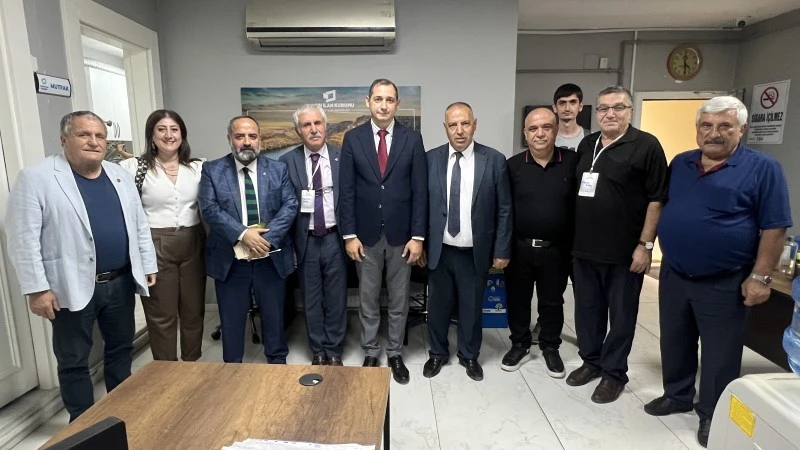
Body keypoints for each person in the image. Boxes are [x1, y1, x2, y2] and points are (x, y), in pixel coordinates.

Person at [644, 96, 791, 448]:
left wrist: (761, 277)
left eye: (725, 126)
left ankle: (713, 412)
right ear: (697, 128)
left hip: (725, 279)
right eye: (706, 125)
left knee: (720, 352)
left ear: (741, 129)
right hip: (675, 274)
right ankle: (677, 395)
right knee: (675, 340)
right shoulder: (681, 162)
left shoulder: (763, 168)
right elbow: (664, 205)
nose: (714, 133)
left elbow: (775, 227)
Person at [6, 111, 157, 421]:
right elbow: (22, 238)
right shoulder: (37, 177)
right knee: (74, 358)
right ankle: (82, 425)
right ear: (64, 139)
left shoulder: (119, 175)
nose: (93, 141)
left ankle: (120, 415)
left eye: (100, 136)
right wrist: (36, 289)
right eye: (84, 135)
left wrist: (147, 262)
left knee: (120, 350)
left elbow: (138, 224)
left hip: (120, 281)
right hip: (68, 285)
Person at [567, 86, 668, 403]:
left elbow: (656, 199)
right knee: (587, 313)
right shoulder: (588, 144)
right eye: (603, 108)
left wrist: (645, 245)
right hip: (584, 249)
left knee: (621, 318)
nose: (610, 114)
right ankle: (591, 362)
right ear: (595, 113)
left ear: (630, 111)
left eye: (618, 107)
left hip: (625, 253)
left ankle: (613, 374)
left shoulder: (647, 146)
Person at [339, 78, 427, 384]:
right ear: (368, 102)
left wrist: (418, 237)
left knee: (400, 299)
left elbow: (420, 192)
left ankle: (395, 353)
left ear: (397, 104)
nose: (384, 105)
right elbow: (346, 192)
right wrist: (349, 235)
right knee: (368, 298)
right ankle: (370, 351)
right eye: (378, 99)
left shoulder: (412, 140)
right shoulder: (353, 139)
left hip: (402, 237)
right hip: (365, 236)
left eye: (390, 100)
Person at [421, 102, 511, 381]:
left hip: (475, 252)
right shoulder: (430, 159)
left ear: (475, 124)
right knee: (437, 307)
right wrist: (420, 243)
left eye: (465, 123)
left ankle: (469, 355)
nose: (459, 130)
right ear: (445, 128)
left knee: (471, 309)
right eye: (453, 125)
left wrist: (501, 249)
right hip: (439, 250)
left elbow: (504, 209)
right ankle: (437, 354)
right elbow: (421, 205)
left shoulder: (494, 160)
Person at [198, 115, 298, 364]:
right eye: (240, 136)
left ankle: (277, 365)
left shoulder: (278, 169)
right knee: (232, 323)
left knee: (274, 320)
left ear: (259, 139)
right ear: (230, 139)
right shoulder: (212, 170)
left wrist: (265, 240)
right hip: (230, 260)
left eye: (252, 136)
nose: (246, 142)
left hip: (269, 258)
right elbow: (209, 209)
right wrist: (244, 235)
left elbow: (290, 205)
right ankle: (233, 371)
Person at [120, 110, 206, 362]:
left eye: (174, 129)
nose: (169, 135)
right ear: (152, 134)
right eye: (161, 129)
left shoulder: (197, 167)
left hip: (193, 242)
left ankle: (192, 365)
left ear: (182, 134)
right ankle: (165, 370)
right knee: (162, 314)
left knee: (193, 311)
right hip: (155, 245)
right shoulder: (133, 168)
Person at [502, 108, 577, 378]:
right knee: (518, 300)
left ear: (556, 130)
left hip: (557, 250)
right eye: (533, 129)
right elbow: (503, 209)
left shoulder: (572, 162)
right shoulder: (512, 166)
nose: (540, 133)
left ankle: (550, 347)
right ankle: (520, 345)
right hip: (519, 248)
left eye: (546, 127)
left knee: (552, 302)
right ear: (525, 134)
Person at [279, 105, 348, 366]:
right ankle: (318, 349)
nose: (313, 129)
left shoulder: (343, 157)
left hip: (335, 238)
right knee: (311, 297)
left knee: (337, 298)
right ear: (298, 130)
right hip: (305, 240)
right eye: (306, 125)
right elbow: (284, 205)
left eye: (318, 123)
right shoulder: (287, 161)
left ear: (326, 126)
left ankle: (335, 350)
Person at [553, 83, 591, 151]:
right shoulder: (546, 137)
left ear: (580, 106)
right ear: (555, 108)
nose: (567, 108)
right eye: (562, 103)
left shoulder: (591, 139)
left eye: (573, 102)